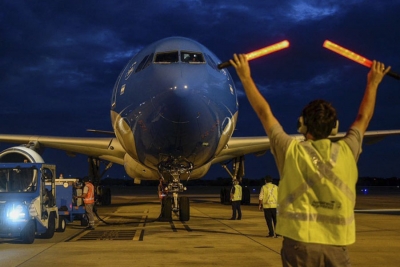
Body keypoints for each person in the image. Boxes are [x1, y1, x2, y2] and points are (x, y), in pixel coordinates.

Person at [230, 53, 390, 266]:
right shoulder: (347, 150)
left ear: (301, 125)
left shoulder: (290, 151)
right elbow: (363, 118)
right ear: (335, 128)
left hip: (299, 247)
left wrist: (245, 77)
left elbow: (263, 112)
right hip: (336, 247)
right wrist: (374, 82)